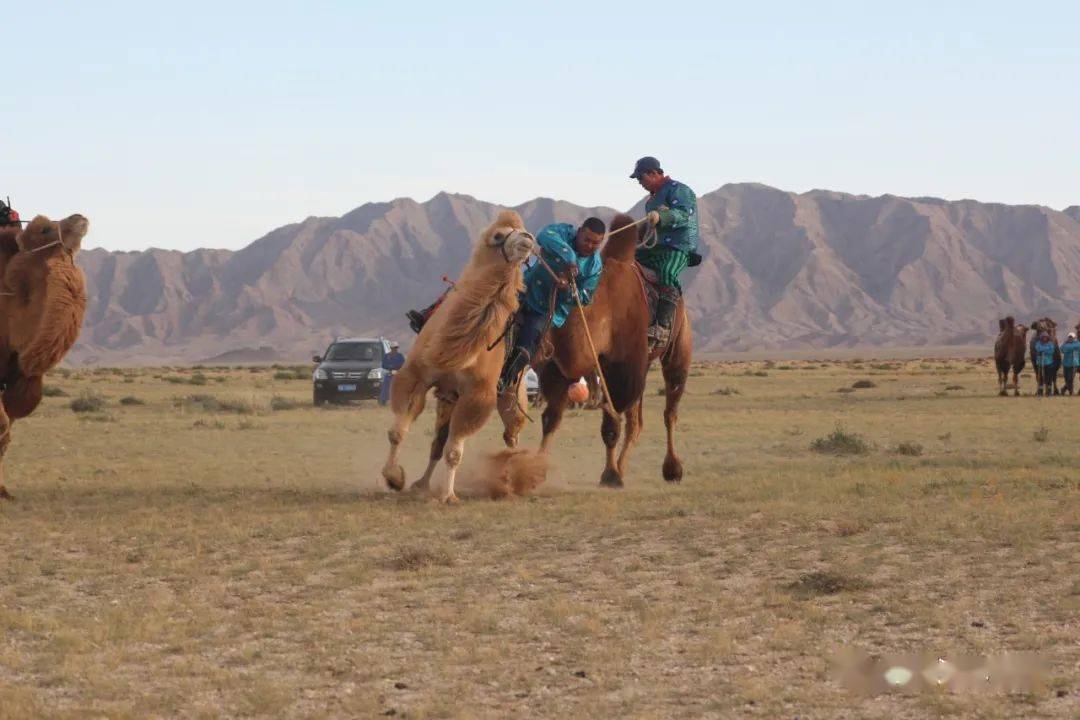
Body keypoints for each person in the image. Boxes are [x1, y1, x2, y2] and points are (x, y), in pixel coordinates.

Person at [496, 217, 605, 393]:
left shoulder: (594, 267)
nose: (590, 246)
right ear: (579, 232)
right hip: (525, 287)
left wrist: (567, 288)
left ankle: (504, 379)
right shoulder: (563, 232)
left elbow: (585, 297)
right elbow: (543, 235)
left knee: (528, 343)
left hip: (547, 311)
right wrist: (569, 258)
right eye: (587, 240)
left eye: (596, 243)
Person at [630, 156, 699, 348]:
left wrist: (662, 216)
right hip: (655, 247)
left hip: (678, 246)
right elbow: (651, 225)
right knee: (627, 264)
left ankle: (662, 326)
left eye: (640, 178)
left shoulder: (680, 190)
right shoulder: (650, 202)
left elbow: (685, 214)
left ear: (653, 173)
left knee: (667, 272)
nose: (640, 183)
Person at [379, 341, 405, 406]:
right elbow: (383, 365)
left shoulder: (400, 356)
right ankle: (383, 402)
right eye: (394, 348)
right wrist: (390, 368)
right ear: (391, 348)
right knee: (385, 389)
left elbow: (403, 364)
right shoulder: (386, 356)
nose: (395, 349)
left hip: (397, 375)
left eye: (396, 348)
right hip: (388, 375)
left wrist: (396, 370)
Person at [1034, 331, 1056, 397]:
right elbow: (1038, 349)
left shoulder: (1050, 343)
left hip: (1048, 362)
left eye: (1046, 337)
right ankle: (1040, 392)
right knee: (1040, 377)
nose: (1044, 338)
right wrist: (1046, 349)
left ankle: (1049, 392)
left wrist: (1043, 350)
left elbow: (1051, 351)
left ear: (1048, 338)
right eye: (1043, 337)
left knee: (1049, 377)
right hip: (1040, 363)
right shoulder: (1038, 343)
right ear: (1041, 338)